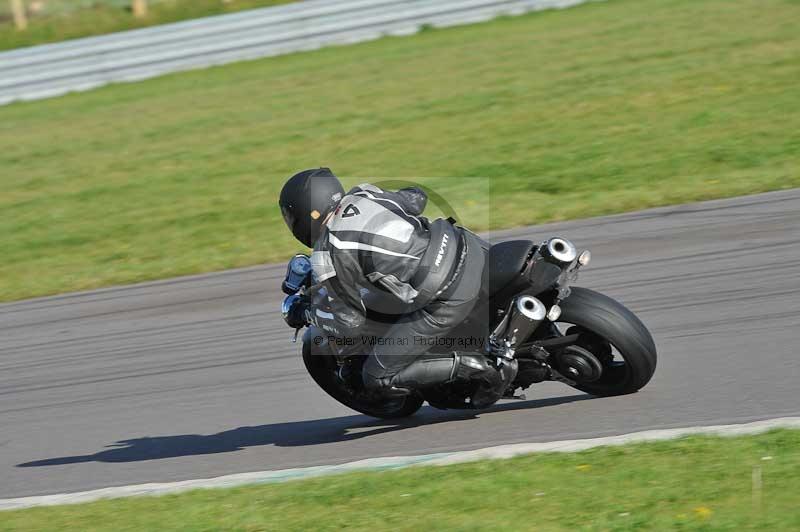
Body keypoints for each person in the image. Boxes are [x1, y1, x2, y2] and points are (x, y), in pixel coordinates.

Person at [279, 167, 503, 402]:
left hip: (445, 294)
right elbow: (417, 197)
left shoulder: (327, 252)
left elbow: (349, 325)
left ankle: (473, 367)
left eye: (291, 217)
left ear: (308, 210)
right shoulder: (364, 194)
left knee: (377, 378)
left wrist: (307, 313)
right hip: (467, 245)